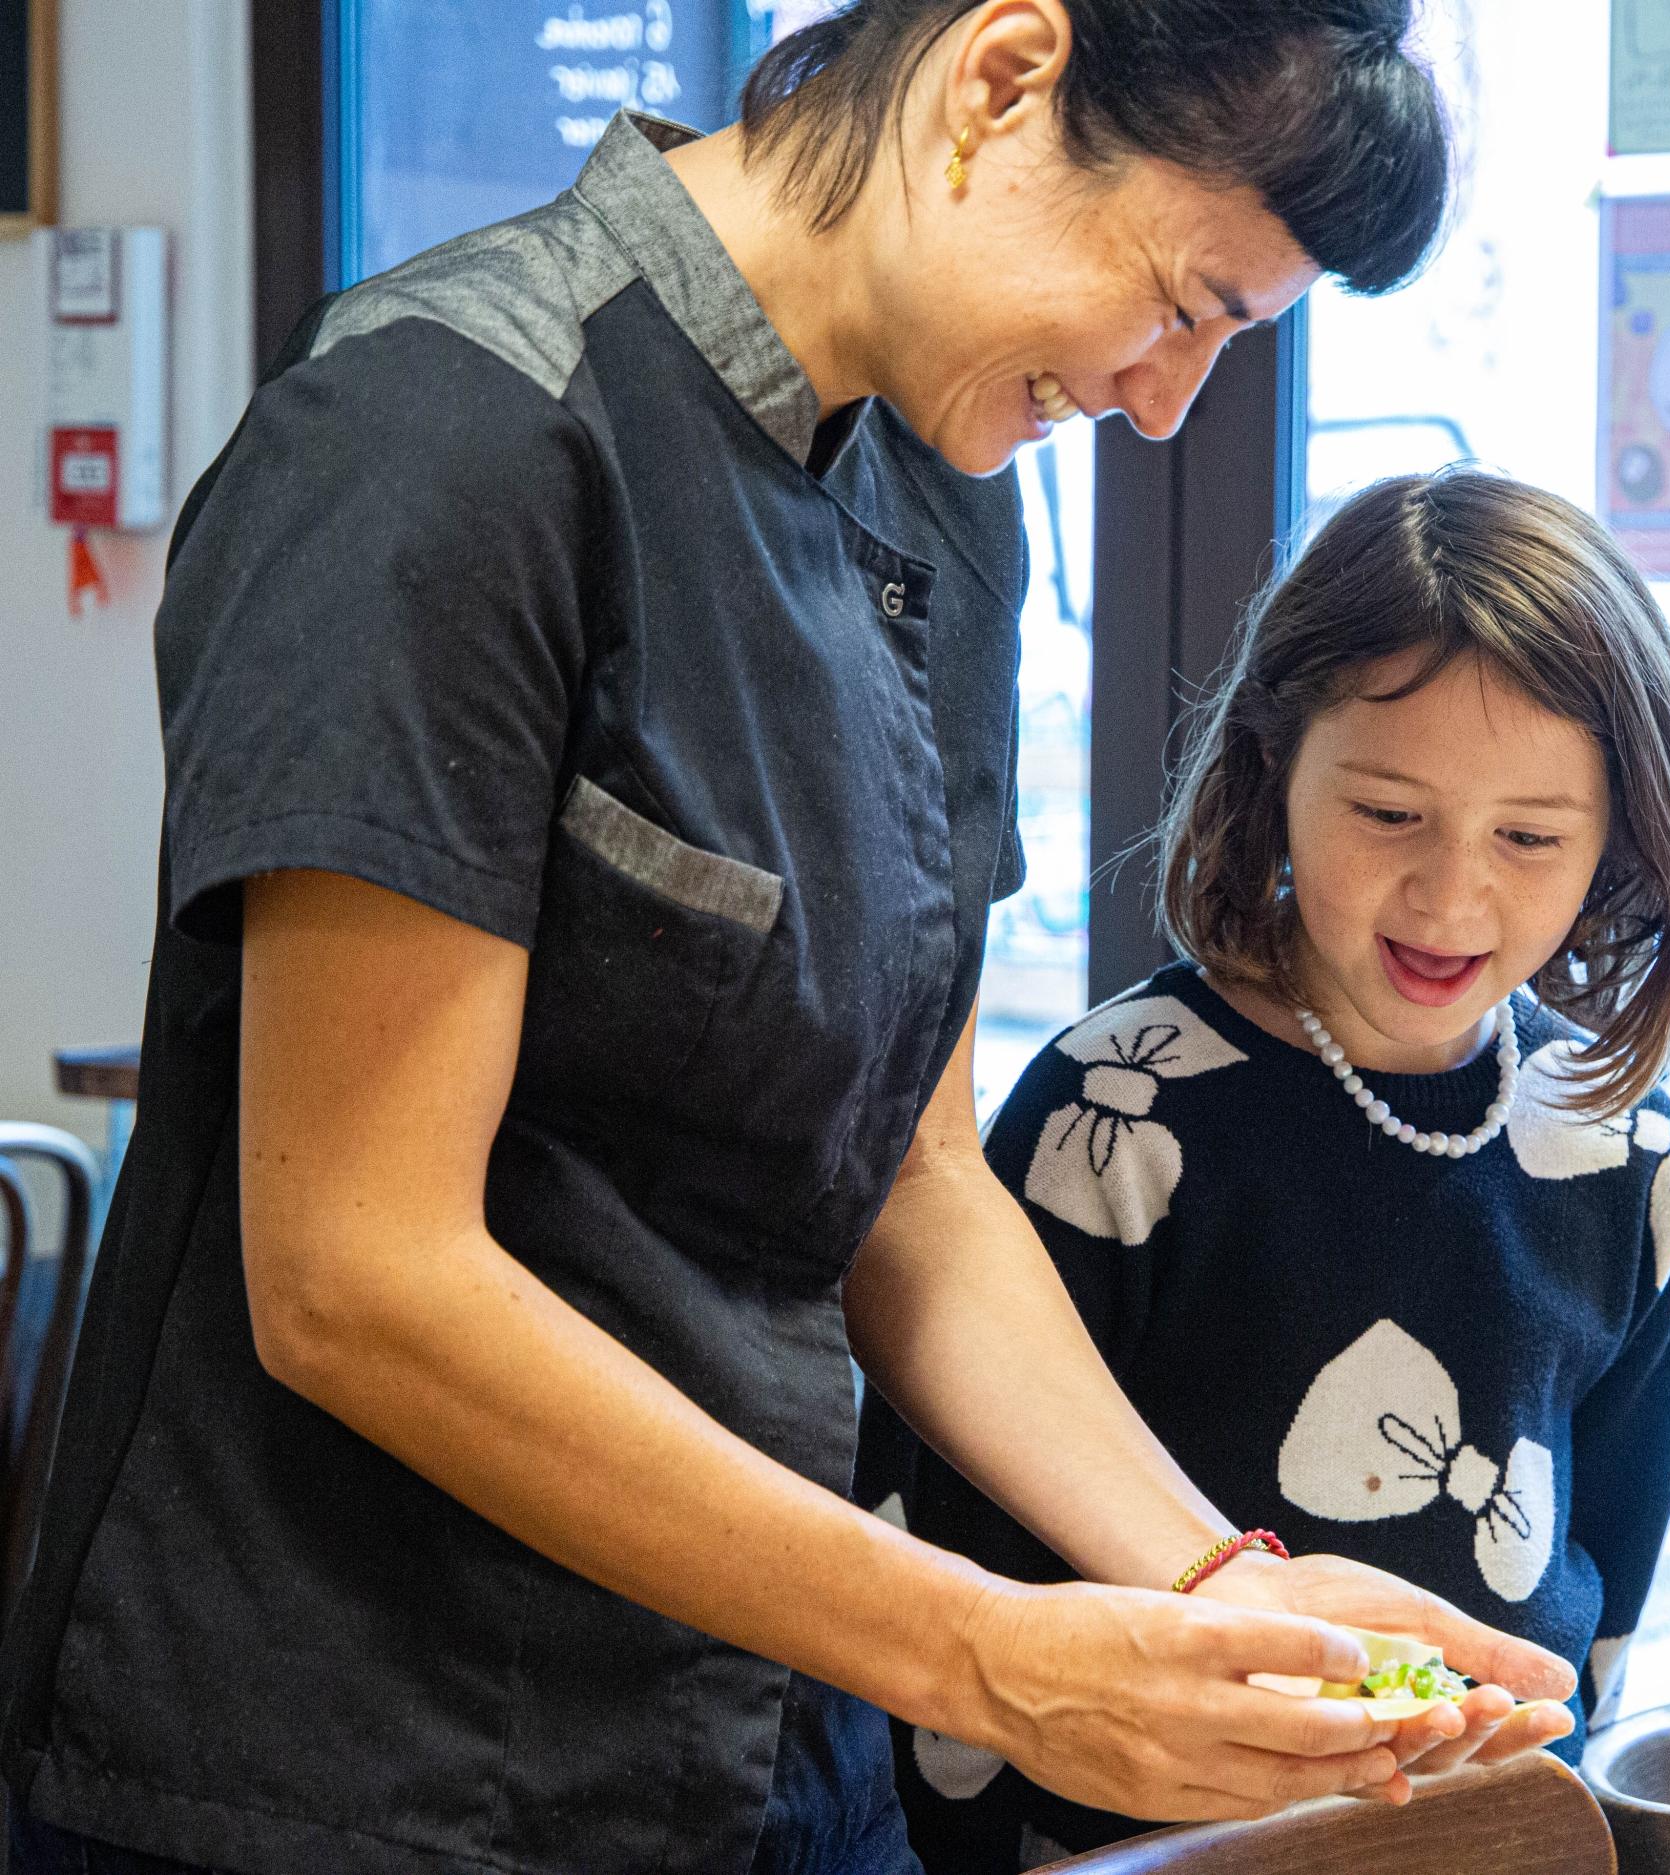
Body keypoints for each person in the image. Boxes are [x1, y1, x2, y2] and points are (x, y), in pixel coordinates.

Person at [0, 8, 1577, 1874]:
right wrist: (986, 1656)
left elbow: (909, 1183)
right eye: (1181, 303)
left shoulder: (944, 502)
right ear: (1000, 78)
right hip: (353, 1770)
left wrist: (1223, 1584)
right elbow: (356, 1271)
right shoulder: (454, 431)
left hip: (758, 1746)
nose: (1166, 402)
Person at [860, 467, 1670, 1869]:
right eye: (1388, 815)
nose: (1452, 897)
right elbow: (954, 1553)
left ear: (1622, 837)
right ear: (1273, 769)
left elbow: (1611, 1566)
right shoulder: (1117, 1113)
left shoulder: (1626, 1145)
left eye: (1530, 838)